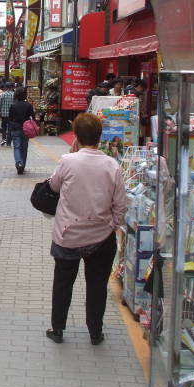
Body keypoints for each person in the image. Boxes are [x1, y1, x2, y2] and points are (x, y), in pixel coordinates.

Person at [45, 113, 126, 345]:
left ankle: (58, 329)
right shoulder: (112, 165)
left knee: (62, 283)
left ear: (76, 136)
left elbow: (53, 185)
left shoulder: (67, 161)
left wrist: (70, 157)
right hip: (101, 236)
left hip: (68, 234)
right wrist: (111, 225)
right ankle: (95, 332)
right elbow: (121, 205)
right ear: (100, 138)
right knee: (97, 285)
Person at [8, 87, 35, 175]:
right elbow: (33, 117)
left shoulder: (13, 105)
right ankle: (22, 166)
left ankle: (18, 162)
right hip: (26, 129)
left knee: (17, 147)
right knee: (24, 148)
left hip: (15, 128)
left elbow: (10, 118)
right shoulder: (28, 105)